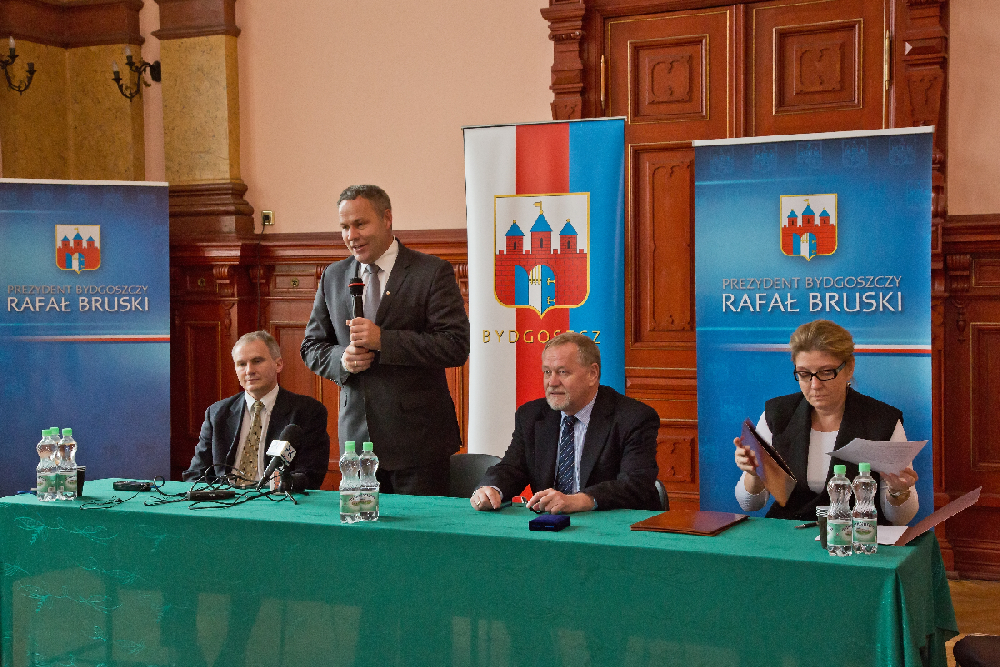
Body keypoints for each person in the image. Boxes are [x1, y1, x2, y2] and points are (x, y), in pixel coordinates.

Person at [300, 184, 470, 496]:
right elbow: (311, 347)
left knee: (419, 530)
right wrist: (342, 359)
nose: (351, 235)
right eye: (344, 227)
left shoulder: (431, 272)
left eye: (360, 224)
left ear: (387, 219)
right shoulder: (333, 276)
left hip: (419, 446)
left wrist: (384, 341)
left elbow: (455, 345)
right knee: (359, 527)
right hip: (356, 446)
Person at [733, 319, 919, 524]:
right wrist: (754, 474)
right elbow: (750, 505)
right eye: (804, 374)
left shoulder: (883, 421)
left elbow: (901, 519)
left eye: (826, 372)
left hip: (855, 535)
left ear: (849, 368)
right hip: (791, 533)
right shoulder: (778, 415)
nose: (814, 385)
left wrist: (898, 493)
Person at [472, 331, 661, 513]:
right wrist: (492, 489)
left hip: (615, 526)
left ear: (592, 374)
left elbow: (635, 485)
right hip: (551, 526)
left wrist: (579, 500)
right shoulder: (531, 415)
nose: (552, 382)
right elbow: (512, 468)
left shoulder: (633, 417)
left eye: (562, 372)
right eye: (547, 372)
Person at [183, 330, 331, 489]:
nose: (249, 370)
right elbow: (195, 474)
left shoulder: (307, 412)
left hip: (277, 499)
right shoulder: (217, 413)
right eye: (241, 364)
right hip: (226, 498)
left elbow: (311, 475)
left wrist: (283, 484)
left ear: (278, 364)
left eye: (257, 361)